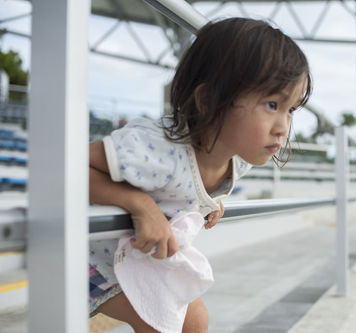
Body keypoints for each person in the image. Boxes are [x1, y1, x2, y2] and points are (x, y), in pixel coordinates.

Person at [88, 17, 312, 333]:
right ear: (208, 100)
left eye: (291, 109)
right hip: (89, 265)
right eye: (271, 104)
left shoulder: (237, 157)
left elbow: (188, 187)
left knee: (191, 322)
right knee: (182, 323)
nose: (283, 126)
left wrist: (211, 200)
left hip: (133, 261)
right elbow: (66, 167)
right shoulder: (158, 148)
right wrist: (139, 204)